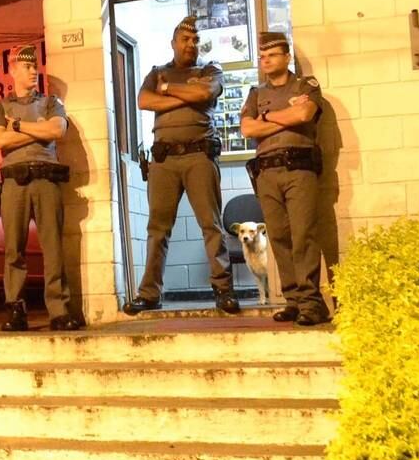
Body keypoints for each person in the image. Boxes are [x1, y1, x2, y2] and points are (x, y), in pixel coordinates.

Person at [123, 16, 240, 316]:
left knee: (211, 226)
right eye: (185, 40)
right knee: (157, 229)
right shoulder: (156, 73)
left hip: (199, 156)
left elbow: (203, 94)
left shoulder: (210, 70)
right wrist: (180, 94)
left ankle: (223, 289)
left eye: (195, 40)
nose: (191, 45)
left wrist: (167, 91)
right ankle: (149, 294)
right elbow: (144, 101)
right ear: (173, 43)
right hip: (163, 161)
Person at [239, 32, 331, 325]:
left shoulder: (306, 85)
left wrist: (266, 118)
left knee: (303, 234)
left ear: (287, 57)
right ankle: (293, 300)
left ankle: (312, 304)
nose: (266, 60)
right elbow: (247, 130)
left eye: (272, 55)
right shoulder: (256, 94)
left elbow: (304, 114)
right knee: (278, 236)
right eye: (262, 56)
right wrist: (281, 115)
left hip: (299, 168)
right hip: (266, 171)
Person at [0, 45, 81, 332]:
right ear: (13, 70)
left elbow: (55, 131)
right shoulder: (1, 106)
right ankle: (15, 310)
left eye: (34, 66)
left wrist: (15, 127)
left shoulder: (52, 102)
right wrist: (32, 128)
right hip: (15, 182)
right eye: (26, 67)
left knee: (53, 248)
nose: (33, 71)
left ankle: (58, 311)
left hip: (46, 181)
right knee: (13, 250)